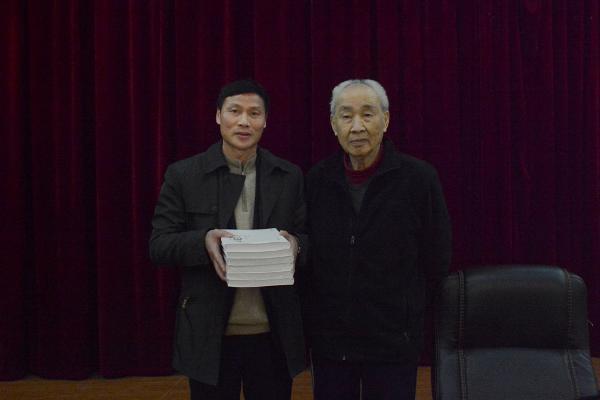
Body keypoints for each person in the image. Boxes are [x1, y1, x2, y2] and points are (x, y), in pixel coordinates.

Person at [149, 79, 306, 400]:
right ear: (218, 116)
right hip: (209, 335)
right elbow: (159, 245)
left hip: (273, 333)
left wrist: (297, 245)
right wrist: (202, 241)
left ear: (266, 120)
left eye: (254, 113)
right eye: (235, 111)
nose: (244, 121)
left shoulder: (288, 176)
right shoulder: (184, 175)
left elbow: (310, 239)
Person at [304, 79, 452, 399]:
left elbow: (437, 258)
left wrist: (407, 315)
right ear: (333, 125)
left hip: (394, 342)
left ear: (385, 120)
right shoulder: (317, 180)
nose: (357, 126)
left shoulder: (419, 179)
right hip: (332, 344)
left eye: (368, 114)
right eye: (346, 116)